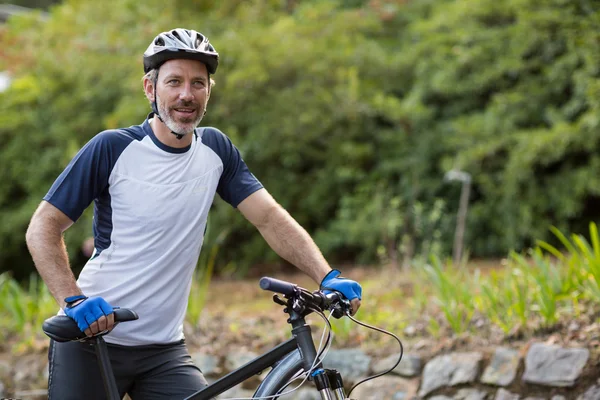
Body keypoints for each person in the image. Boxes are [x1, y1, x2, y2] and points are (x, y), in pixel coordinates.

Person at [25, 28, 363, 399]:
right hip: (92, 338)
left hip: (163, 351)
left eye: (197, 83)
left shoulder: (216, 150)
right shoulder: (112, 148)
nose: (186, 94)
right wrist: (72, 300)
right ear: (150, 89)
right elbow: (43, 226)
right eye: (174, 82)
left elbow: (269, 218)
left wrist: (326, 274)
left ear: (208, 92)